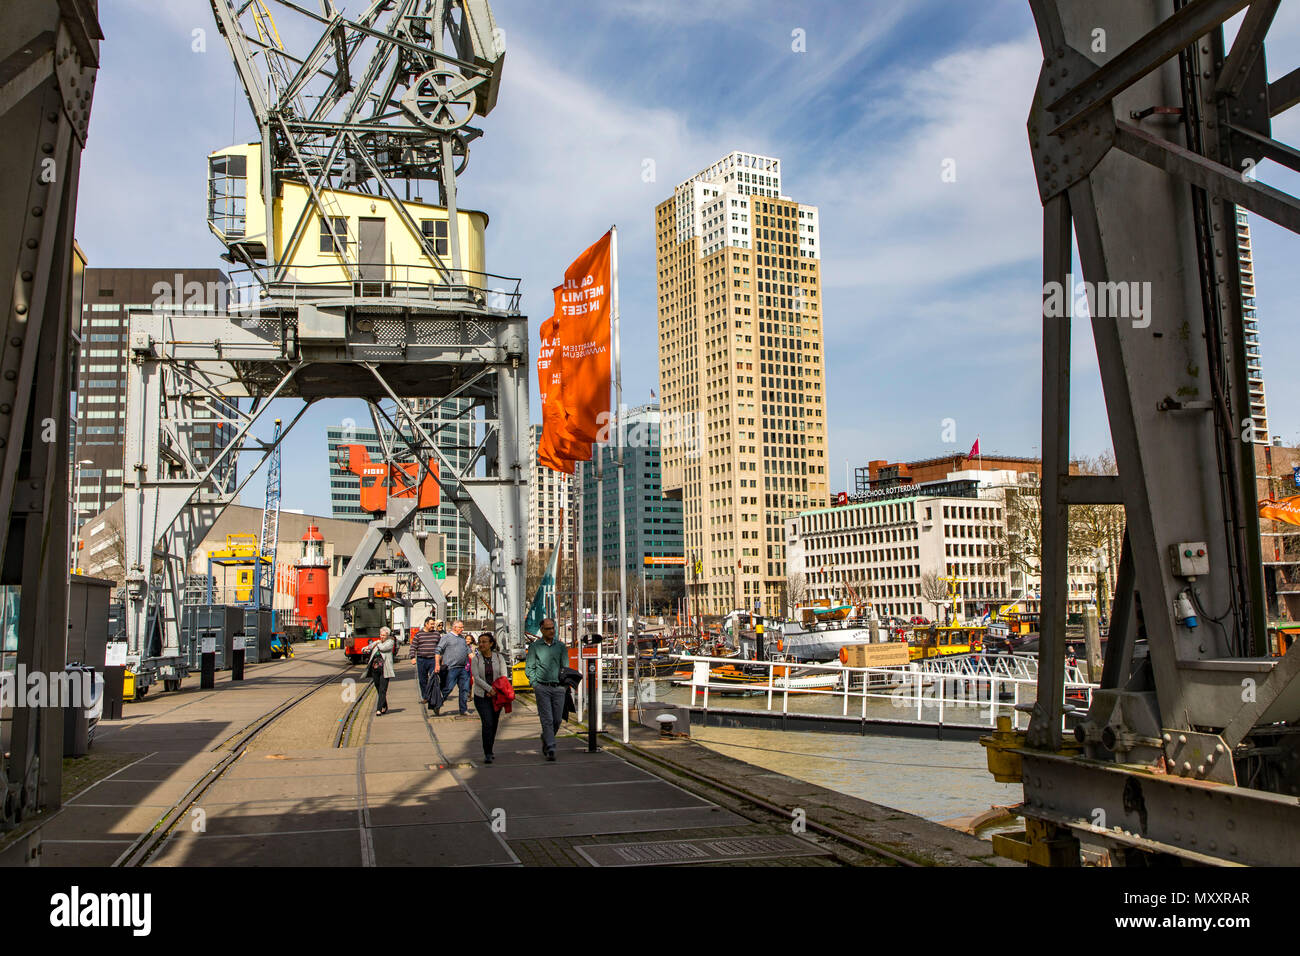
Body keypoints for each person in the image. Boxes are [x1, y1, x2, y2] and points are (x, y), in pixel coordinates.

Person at [524, 618, 568, 761]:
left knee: (557, 720)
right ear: (542, 630)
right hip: (542, 687)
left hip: (558, 687)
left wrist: (564, 685)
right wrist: (534, 683)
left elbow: (565, 667)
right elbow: (529, 667)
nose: (551, 631)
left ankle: (546, 737)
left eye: (552, 628)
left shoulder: (561, 647)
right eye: (548, 628)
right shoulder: (535, 647)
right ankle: (551, 746)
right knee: (547, 719)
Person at [470, 632, 509, 763]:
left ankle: (490, 748)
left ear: (491, 644)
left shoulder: (499, 658)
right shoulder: (476, 659)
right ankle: (487, 752)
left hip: (497, 697)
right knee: (487, 723)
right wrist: (489, 689)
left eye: (484, 642)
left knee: (494, 723)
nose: (481, 644)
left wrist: (495, 690)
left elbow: (503, 676)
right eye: (480, 642)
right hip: (481, 696)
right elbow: (476, 677)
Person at [433, 619, 471, 716]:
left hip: (463, 668)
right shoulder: (447, 637)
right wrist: (437, 664)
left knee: (465, 689)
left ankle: (463, 710)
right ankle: (438, 704)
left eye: (463, 627)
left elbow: (469, 652)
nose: (462, 629)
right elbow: (438, 650)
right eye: (460, 627)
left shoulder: (462, 639)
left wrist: (477, 661)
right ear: (454, 627)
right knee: (447, 688)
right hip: (451, 668)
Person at [409, 617, 442, 709]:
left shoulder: (436, 634)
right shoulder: (419, 635)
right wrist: (412, 657)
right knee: (422, 680)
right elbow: (413, 647)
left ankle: (432, 697)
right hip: (421, 660)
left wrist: (441, 659)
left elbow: (441, 646)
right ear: (426, 624)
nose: (433, 626)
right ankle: (425, 696)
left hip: (433, 660)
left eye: (433, 624)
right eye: (431, 624)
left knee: (433, 678)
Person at [366, 626, 396, 716]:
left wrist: (377, 643)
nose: (381, 636)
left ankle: (378, 709)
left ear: (387, 635)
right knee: (378, 688)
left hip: (385, 669)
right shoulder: (378, 643)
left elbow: (383, 648)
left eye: (384, 635)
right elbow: (370, 647)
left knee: (383, 689)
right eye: (381, 635)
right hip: (375, 669)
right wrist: (366, 648)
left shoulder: (390, 642)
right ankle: (384, 705)